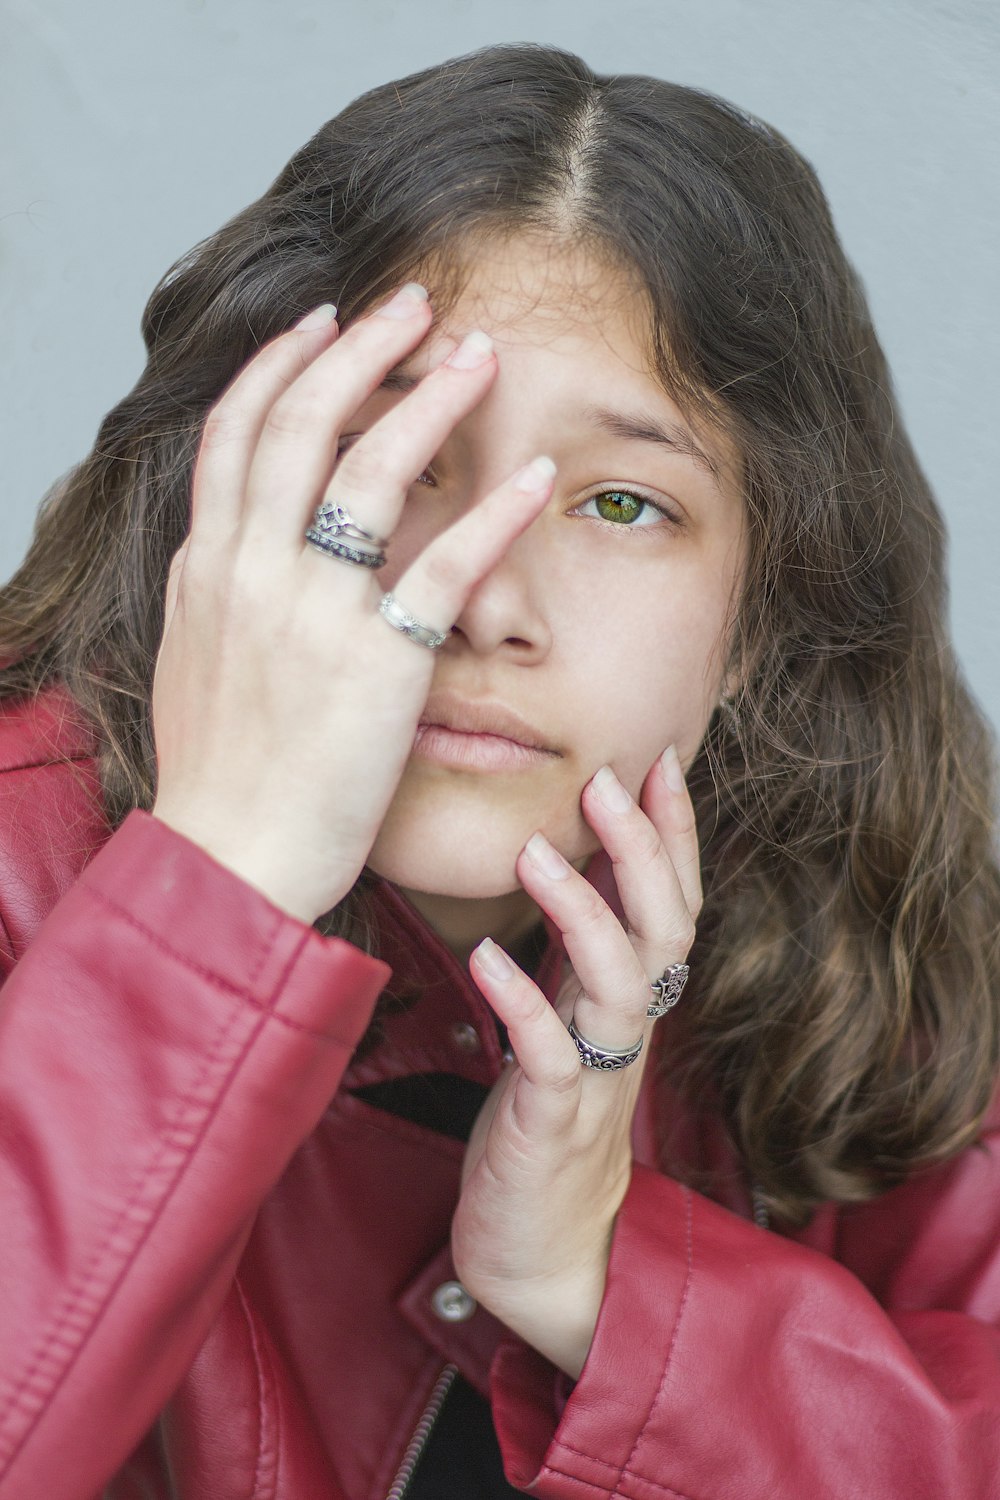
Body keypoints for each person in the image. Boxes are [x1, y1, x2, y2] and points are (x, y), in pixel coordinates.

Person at [1, 39, 998, 1500]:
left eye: (619, 501)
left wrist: (618, 1289)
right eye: (400, 455)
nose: (481, 595)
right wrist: (221, 882)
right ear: (227, 496)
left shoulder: (869, 959)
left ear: (755, 627)